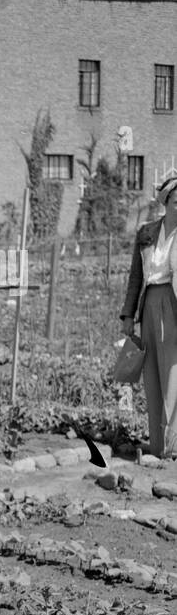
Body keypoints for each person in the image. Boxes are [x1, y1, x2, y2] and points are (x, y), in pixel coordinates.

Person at [120, 167, 177, 458]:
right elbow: (134, 278)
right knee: (152, 375)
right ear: (165, 202)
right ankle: (158, 446)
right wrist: (128, 316)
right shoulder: (146, 233)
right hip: (150, 302)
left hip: (173, 304)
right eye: (176, 199)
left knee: (172, 374)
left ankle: (171, 446)